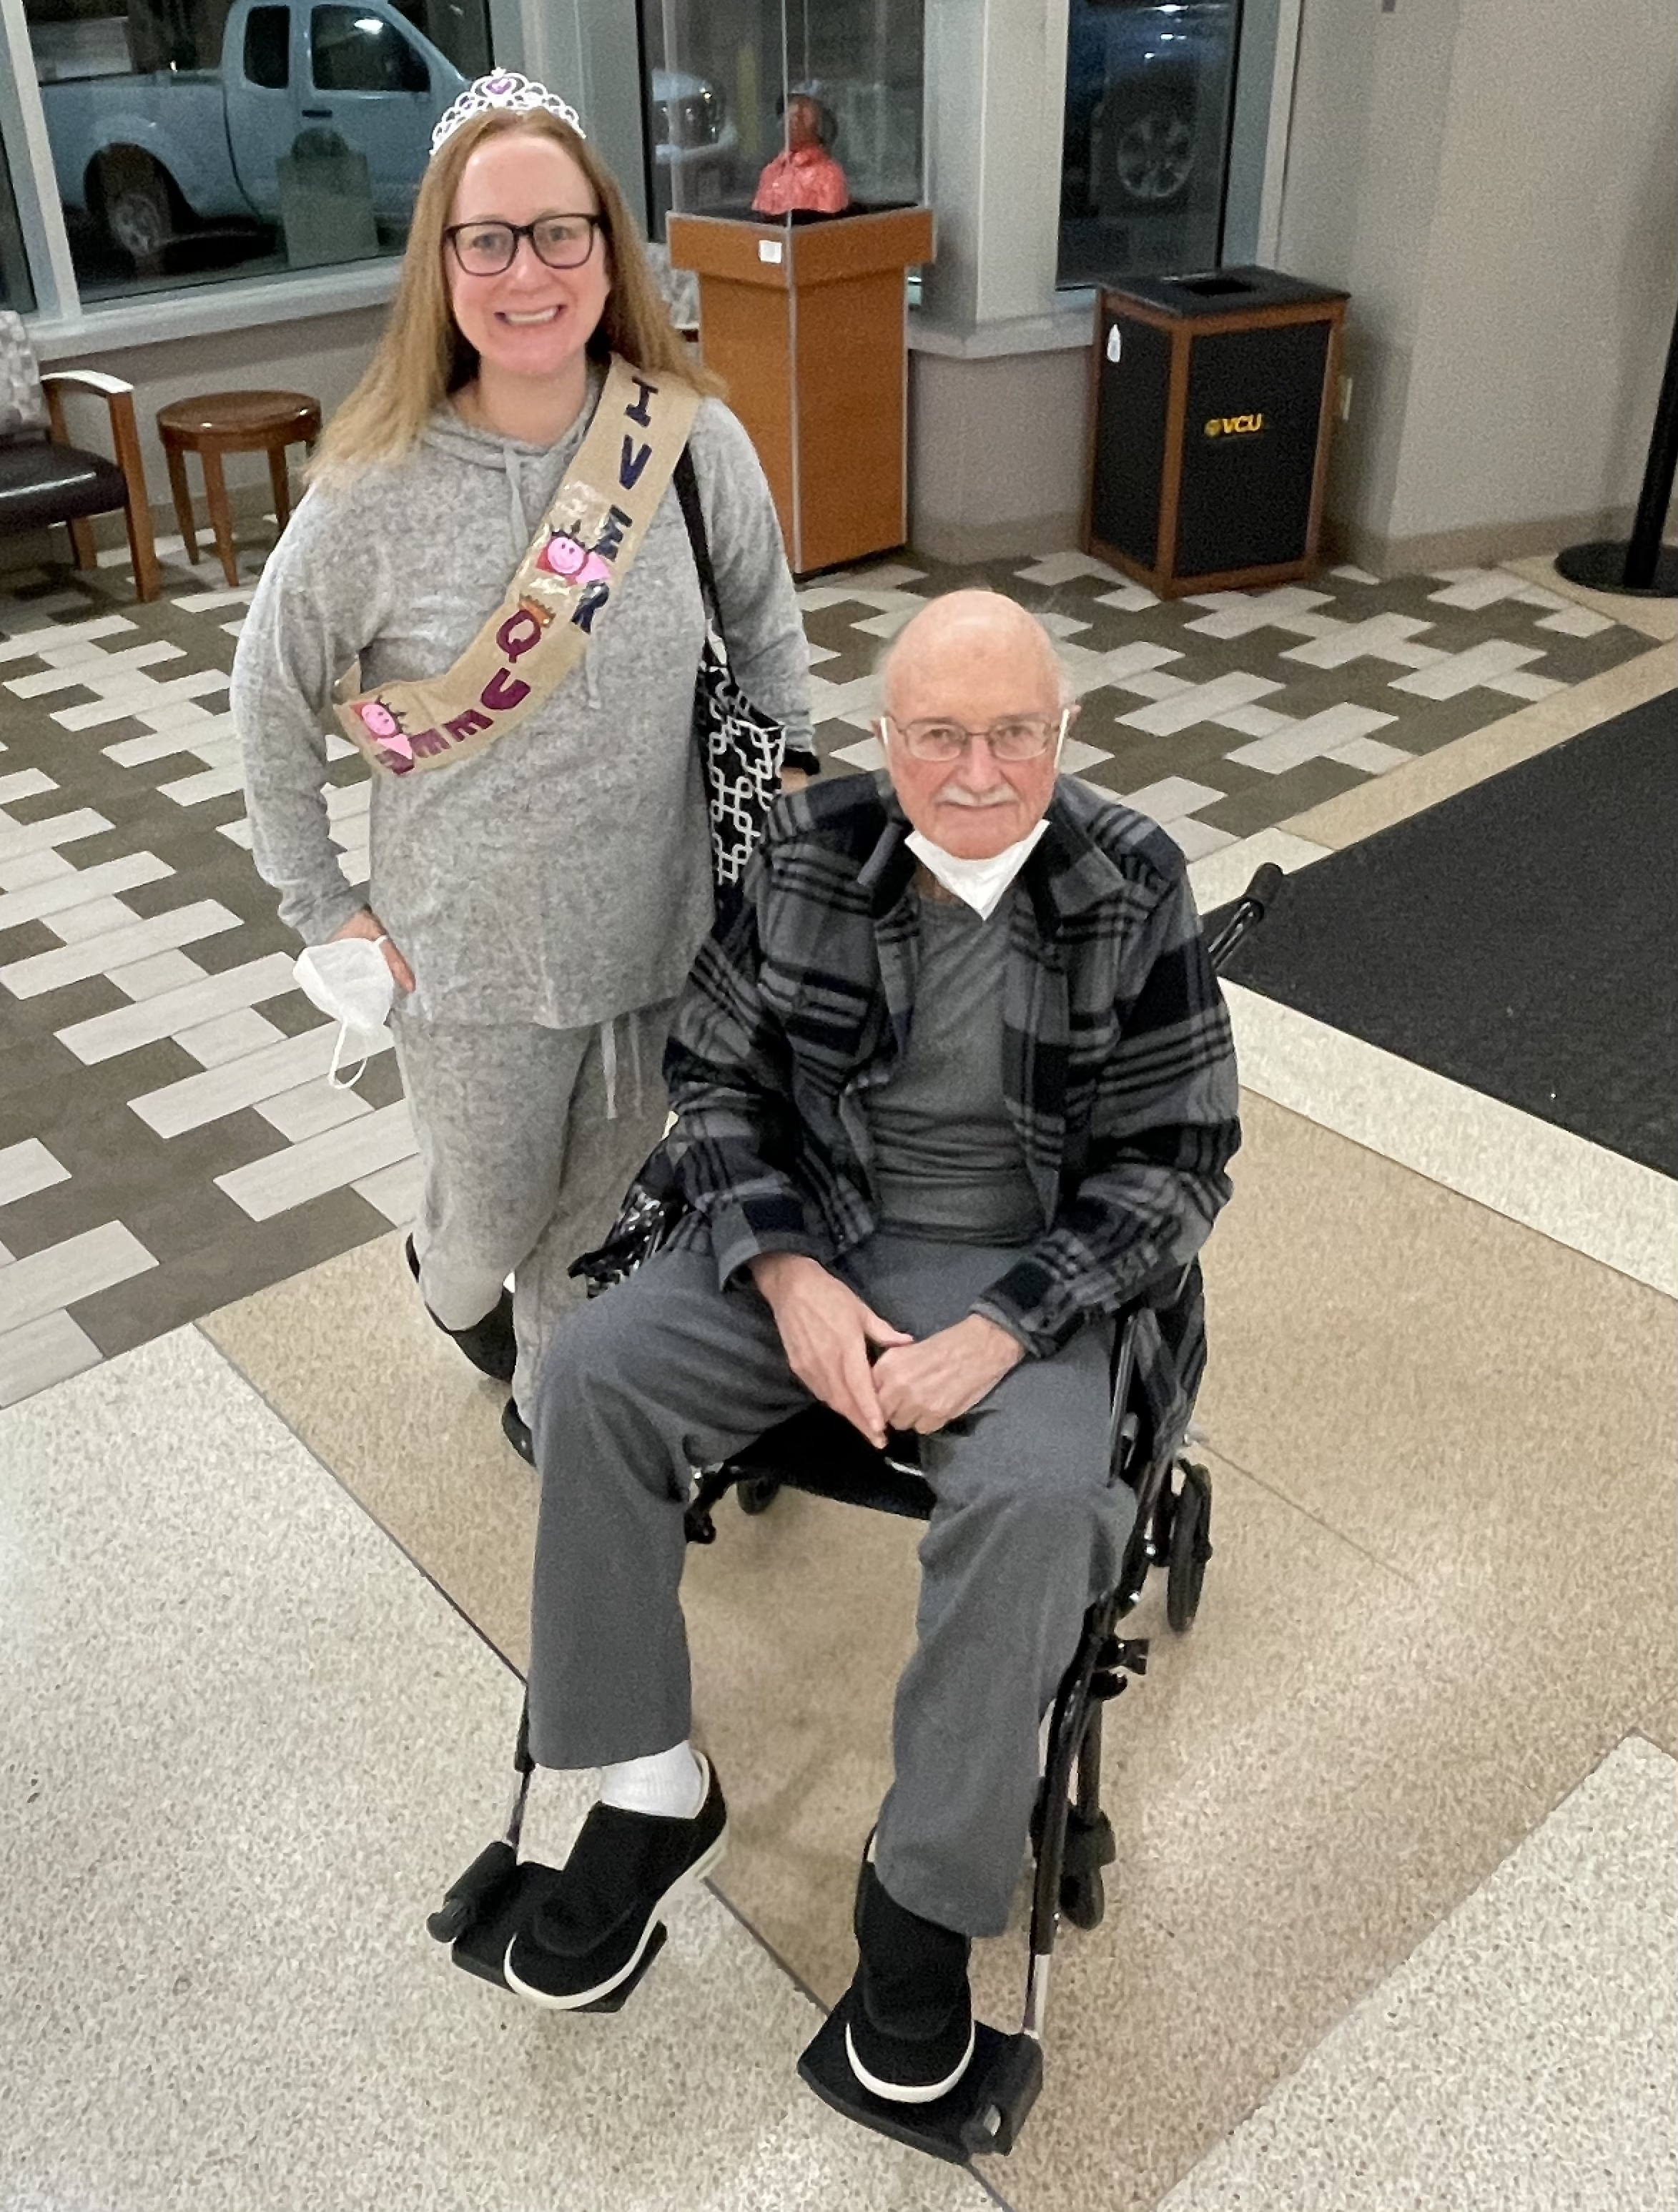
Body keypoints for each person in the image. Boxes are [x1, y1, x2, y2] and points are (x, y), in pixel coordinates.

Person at [502, 591, 1241, 2105]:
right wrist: (782, 1272)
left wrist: (1003, 1327)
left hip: (1036, 1272)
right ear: (886, 738)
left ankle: (919, 1889)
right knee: (590, 1371)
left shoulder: (1133, 880)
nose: (977, 770)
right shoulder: (807, 850)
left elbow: (1177, 1163)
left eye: (1014, 734)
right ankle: (651, 1778)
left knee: (1043, 1505)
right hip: (818, 1232)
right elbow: (712, 1077)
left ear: (1065, 730)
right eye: (939, 735)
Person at [233, 73, 811, 1459]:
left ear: (608, 250)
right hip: (467, 969)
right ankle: (446, 1286)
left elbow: (773, 643)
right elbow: (267, 694)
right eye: (486, 238)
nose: (527, 270)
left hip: (663, 938)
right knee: (487, 1223)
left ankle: (561, 1419)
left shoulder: (685, 442)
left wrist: (786, 837)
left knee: (598, 1226)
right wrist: (324, 906)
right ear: (441, 264)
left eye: (560, 233)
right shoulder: (373, 484)